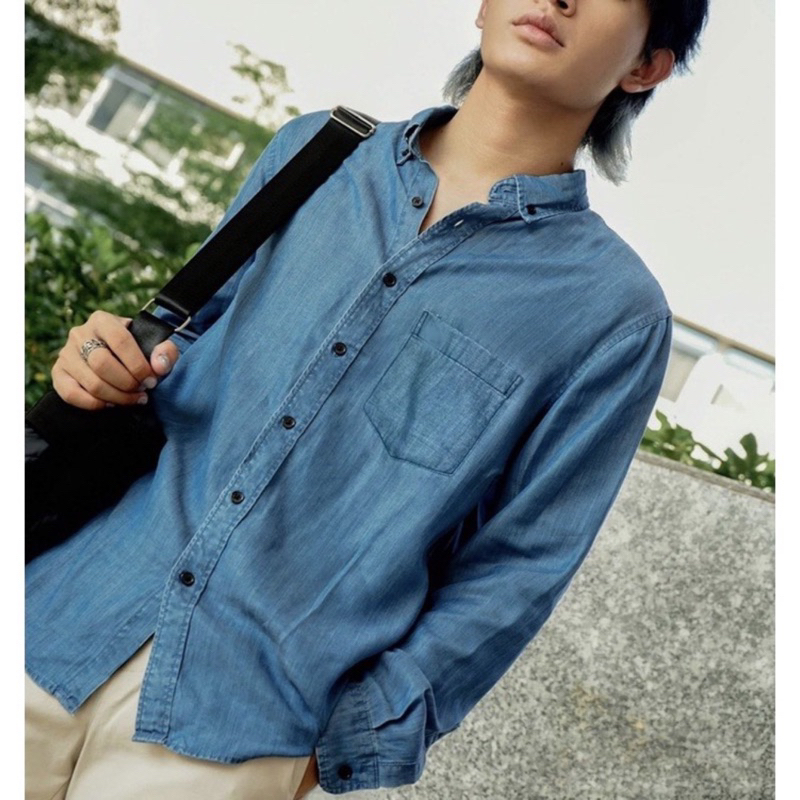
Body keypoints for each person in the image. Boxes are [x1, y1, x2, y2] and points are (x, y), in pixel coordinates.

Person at [25, 1, 709, 798]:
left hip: (239, 730)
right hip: (57, 617)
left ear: (646, 66)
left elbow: (521, 564)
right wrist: (99, 366)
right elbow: (178, 347)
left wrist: (355, 737)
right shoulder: (315, 154)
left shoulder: (611, 313)